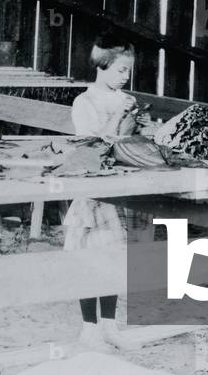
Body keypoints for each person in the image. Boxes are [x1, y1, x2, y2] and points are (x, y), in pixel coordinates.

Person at [63, 33, 150, 350]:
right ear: (102, 66)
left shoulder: (124, 99)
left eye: (129, 71)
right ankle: (89, 328)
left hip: (119, 189)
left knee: (114, 259)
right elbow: (92, 145)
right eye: (121, 70)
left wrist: (138, 122)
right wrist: (118, 115)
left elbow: (128, 142)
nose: (126, 76)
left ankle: (110, 326)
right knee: (90, 260)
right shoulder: (84, 102)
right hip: (93, 189)